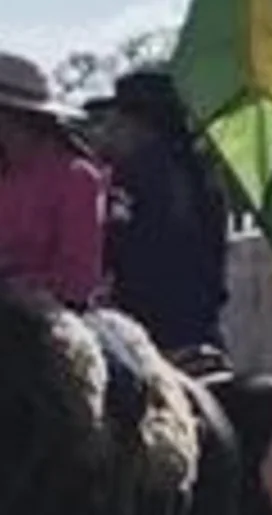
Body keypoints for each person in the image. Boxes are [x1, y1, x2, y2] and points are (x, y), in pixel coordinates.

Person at [94, 65, 232, 360]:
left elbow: (109, 250)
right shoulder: (203, 173)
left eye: (116, 122)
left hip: (146, 333)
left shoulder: (129, 177)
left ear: (139, 124)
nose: (108, 131)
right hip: (202, 327)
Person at [0, 51, 107, 305]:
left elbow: (79, 278)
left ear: (5, 114)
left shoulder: (77, 177)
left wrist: (15, 283)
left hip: (53, 313)